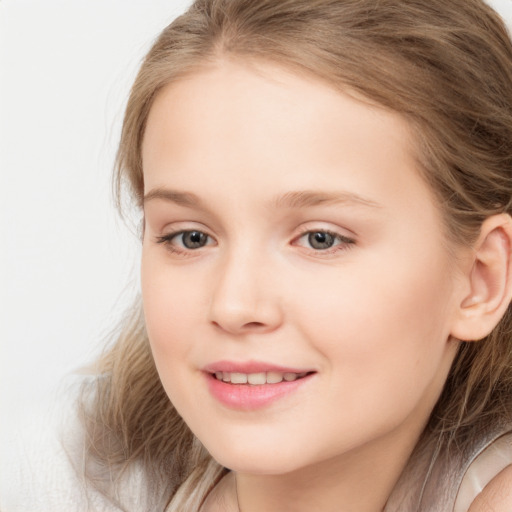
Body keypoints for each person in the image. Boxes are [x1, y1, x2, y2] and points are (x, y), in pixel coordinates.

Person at [3, 0, 512, 511]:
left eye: (320, 238)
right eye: (191, 237)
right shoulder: (58, 475)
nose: (234, 305)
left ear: (479, 280)